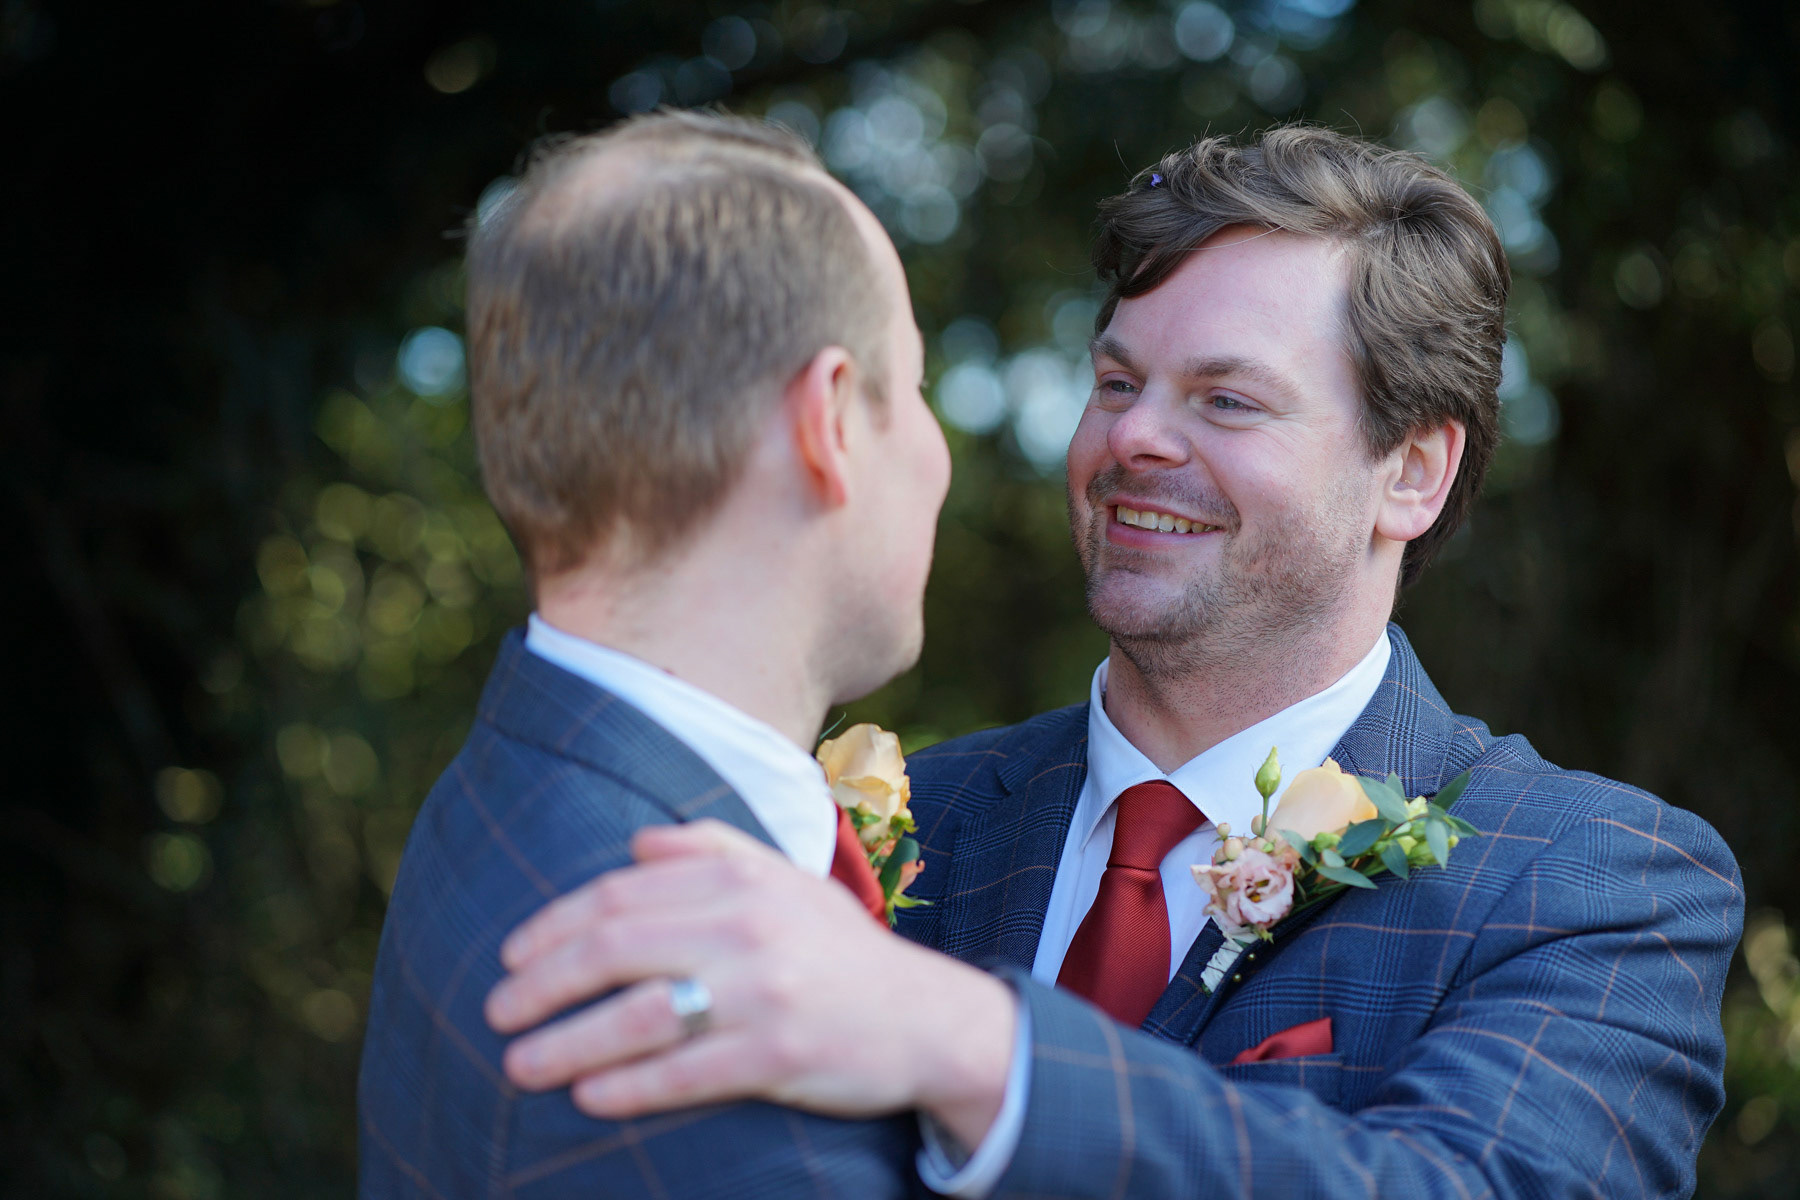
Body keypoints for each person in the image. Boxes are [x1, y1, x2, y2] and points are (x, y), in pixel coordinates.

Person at [482, 126, 1744, 1198]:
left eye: (1226, 400)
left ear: (1410, 472)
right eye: (1115, 381)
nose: (1134, 436)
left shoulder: (1598, 884)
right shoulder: (883, 827)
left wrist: (970, 1044)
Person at [356, 109, 1019, 1198]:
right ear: (830, 421)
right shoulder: (696, 1035)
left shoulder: (509, 784)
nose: (936, 452)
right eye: (914, 388)